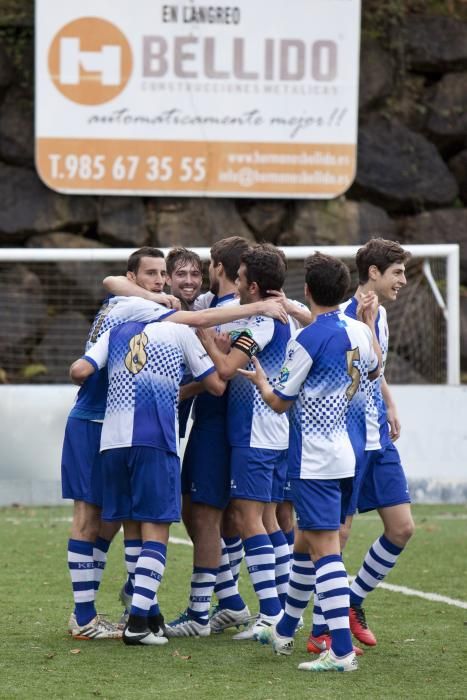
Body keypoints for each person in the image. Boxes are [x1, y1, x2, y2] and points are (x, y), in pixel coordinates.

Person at [64, 246, 287, 640]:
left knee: (229, 517)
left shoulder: (176, 310)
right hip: (110, 425)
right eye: (156, 274)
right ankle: (115, 614)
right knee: (113, 520)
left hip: (136, 431)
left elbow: (81, 367)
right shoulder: (133, 307)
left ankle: (177, 607)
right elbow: (115, 285)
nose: (169, 282)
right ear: (136, 280)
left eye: (170, 275)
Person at [239, 252, 380, 672]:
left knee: (324, 550)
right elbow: (373, 371)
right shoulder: (357, 330)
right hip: (348, 454)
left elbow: (279, 403)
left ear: (306, 291)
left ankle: (340, 651)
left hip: (315, 460)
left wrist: (261, 379)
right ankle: (284, 629)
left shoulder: (308, 339)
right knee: (303, 543)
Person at [69, 318, 227, 645]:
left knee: (132, 526)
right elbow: (216, 385)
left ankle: (145, 613)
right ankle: (138, 624)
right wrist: (213, 349)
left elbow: (79, 371)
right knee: (157, 529)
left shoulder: (116, 330)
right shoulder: (181, 331)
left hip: (111, 444)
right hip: (154, 441)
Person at [197, 244, 292, 641]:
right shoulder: (283, 317)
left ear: (253, 286)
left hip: (255, 433)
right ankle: (286, 611)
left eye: (239, 278)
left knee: (247, 520)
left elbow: (226, 368)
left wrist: (200, 332)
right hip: (276, 431)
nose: (234, 283)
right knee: (269, 521)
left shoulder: (261, 324)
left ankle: (270, 613)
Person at [165, 236, 254, 637]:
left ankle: (200, 614)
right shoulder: (209, 307)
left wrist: (179, 388)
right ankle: (231, 601)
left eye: (198, 270)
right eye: (180, 273)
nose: (191, 279)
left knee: (205, 515)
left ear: (217, 269)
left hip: (220, 425)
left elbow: (220, 377)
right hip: (216, 425)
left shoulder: (224, 313)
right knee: (207, 513)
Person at [328, 238, 413, 648]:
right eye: (397, 272)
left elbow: (376, 372)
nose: (404, 280)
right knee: (337, 534)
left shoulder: (378, 315)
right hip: (351, 438)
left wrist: (391, 406)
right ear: (374, 273)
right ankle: (312, 623)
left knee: (401, 528)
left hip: (379, 436)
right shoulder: (345, 318)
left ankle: (352, 601)